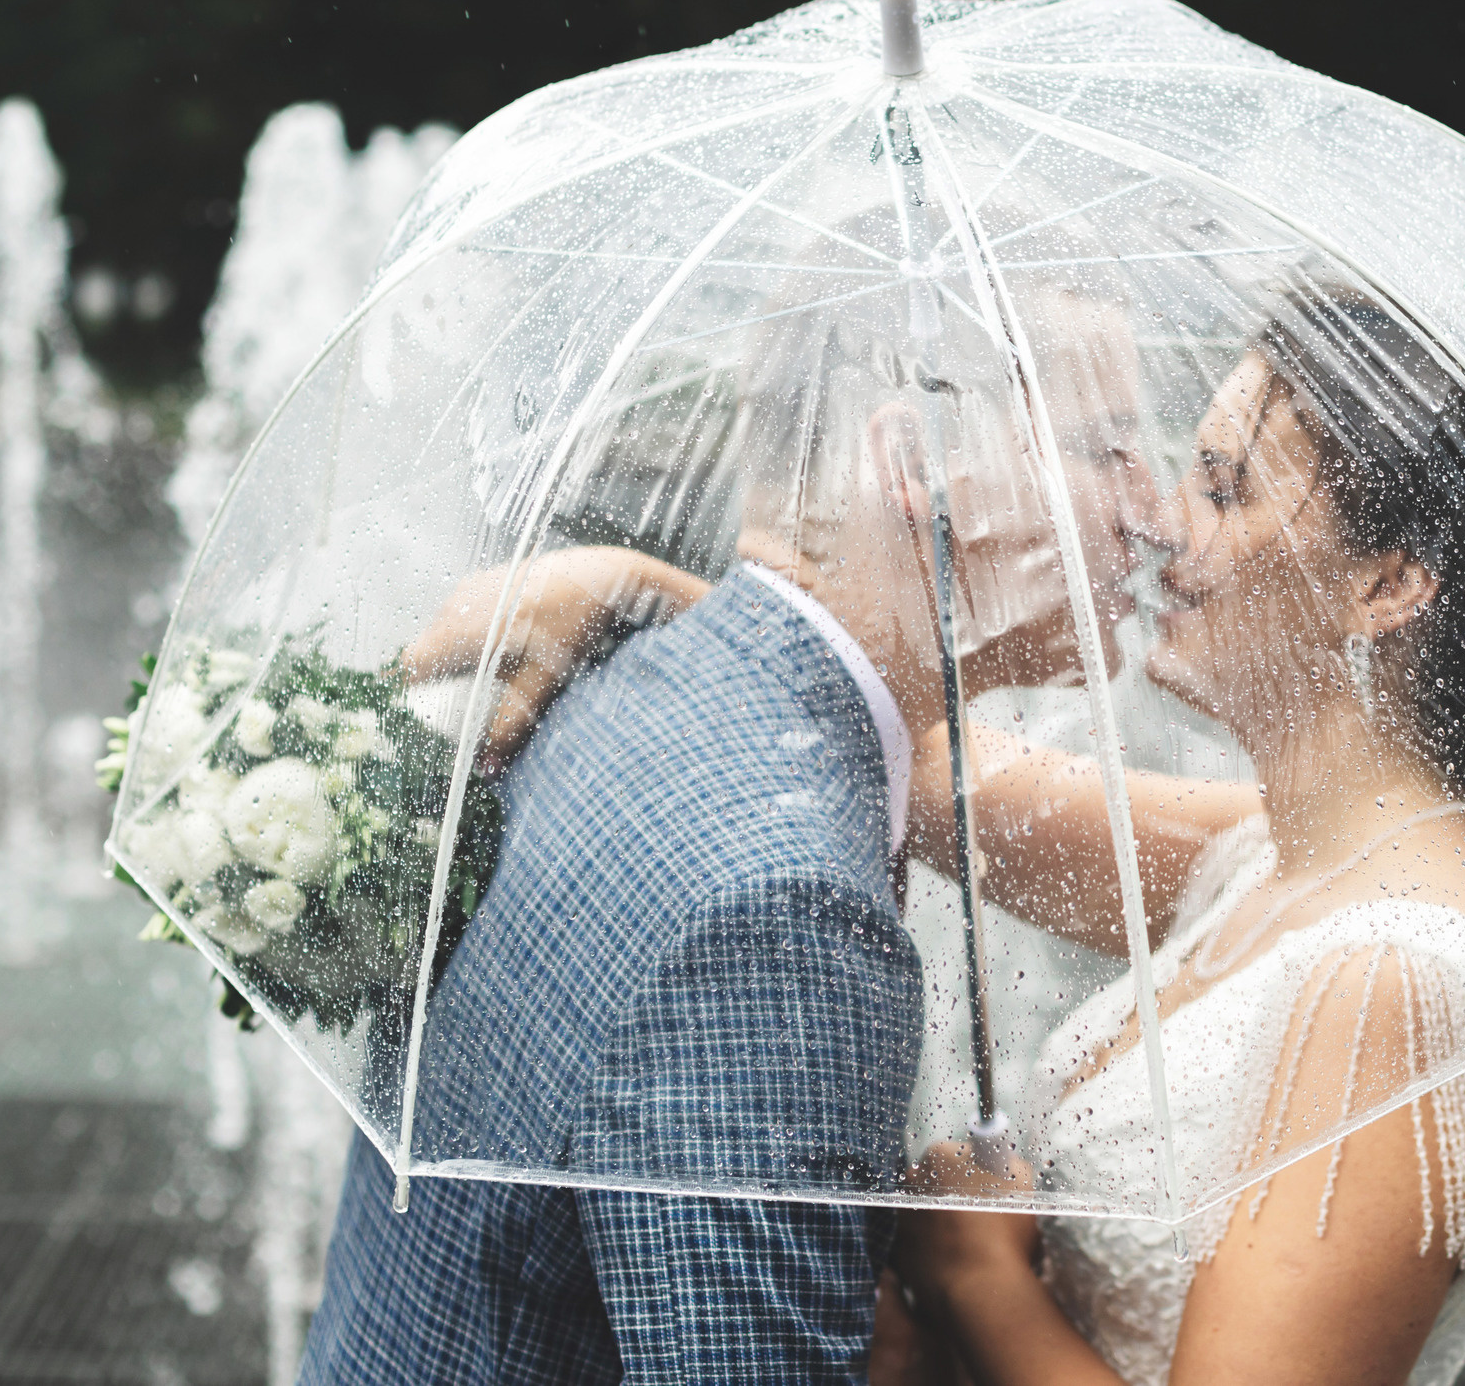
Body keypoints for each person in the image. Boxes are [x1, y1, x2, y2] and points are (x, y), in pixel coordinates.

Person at [473, 290, 1465, 1386]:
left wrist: (976, 1275)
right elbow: (913, 749)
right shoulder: (1277, 856)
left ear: (1387, 584)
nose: (1165, 519)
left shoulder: (1401, 991)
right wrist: (617, 587)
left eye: (1222, 488)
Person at [297, 279, 1170, 1386]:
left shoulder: (633, 672)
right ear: (915, 466)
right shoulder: (780, 921)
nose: (1158, 512)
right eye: (1109, 452)